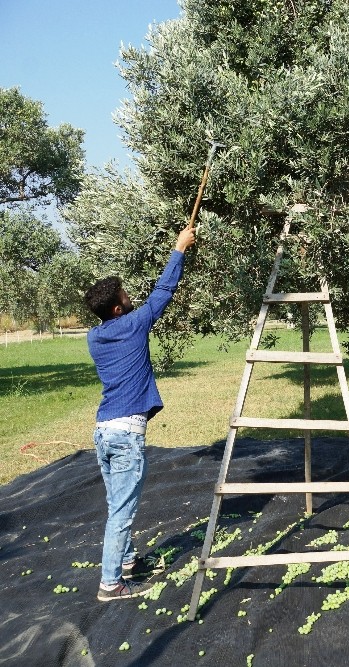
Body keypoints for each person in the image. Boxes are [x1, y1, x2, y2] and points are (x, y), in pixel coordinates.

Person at [84, 227, 196, 601]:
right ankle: (110, 583)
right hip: (125, 433)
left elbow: (151, 299)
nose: (130, 297)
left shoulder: (94, 336)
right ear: (118, 308)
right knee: (121, 512)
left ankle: (129, 561)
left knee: (115, 502)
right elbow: (163, 292)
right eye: (125, 295)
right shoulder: (133, 325)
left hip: (103, 430)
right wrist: (179, 249)